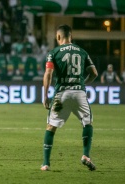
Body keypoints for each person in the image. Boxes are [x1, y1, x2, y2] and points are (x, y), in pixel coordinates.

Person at [41, 25, 98, 171]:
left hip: (62, 94)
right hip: (79, 93)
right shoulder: (82, 51)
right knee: (87, 123)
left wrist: (45, 95)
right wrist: (82, 83)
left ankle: (46, 163)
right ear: (71, 36)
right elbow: (94, 73)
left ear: (58, 37)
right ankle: (86, 155)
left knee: (51, 127)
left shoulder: (54, 52)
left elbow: (48, 73)